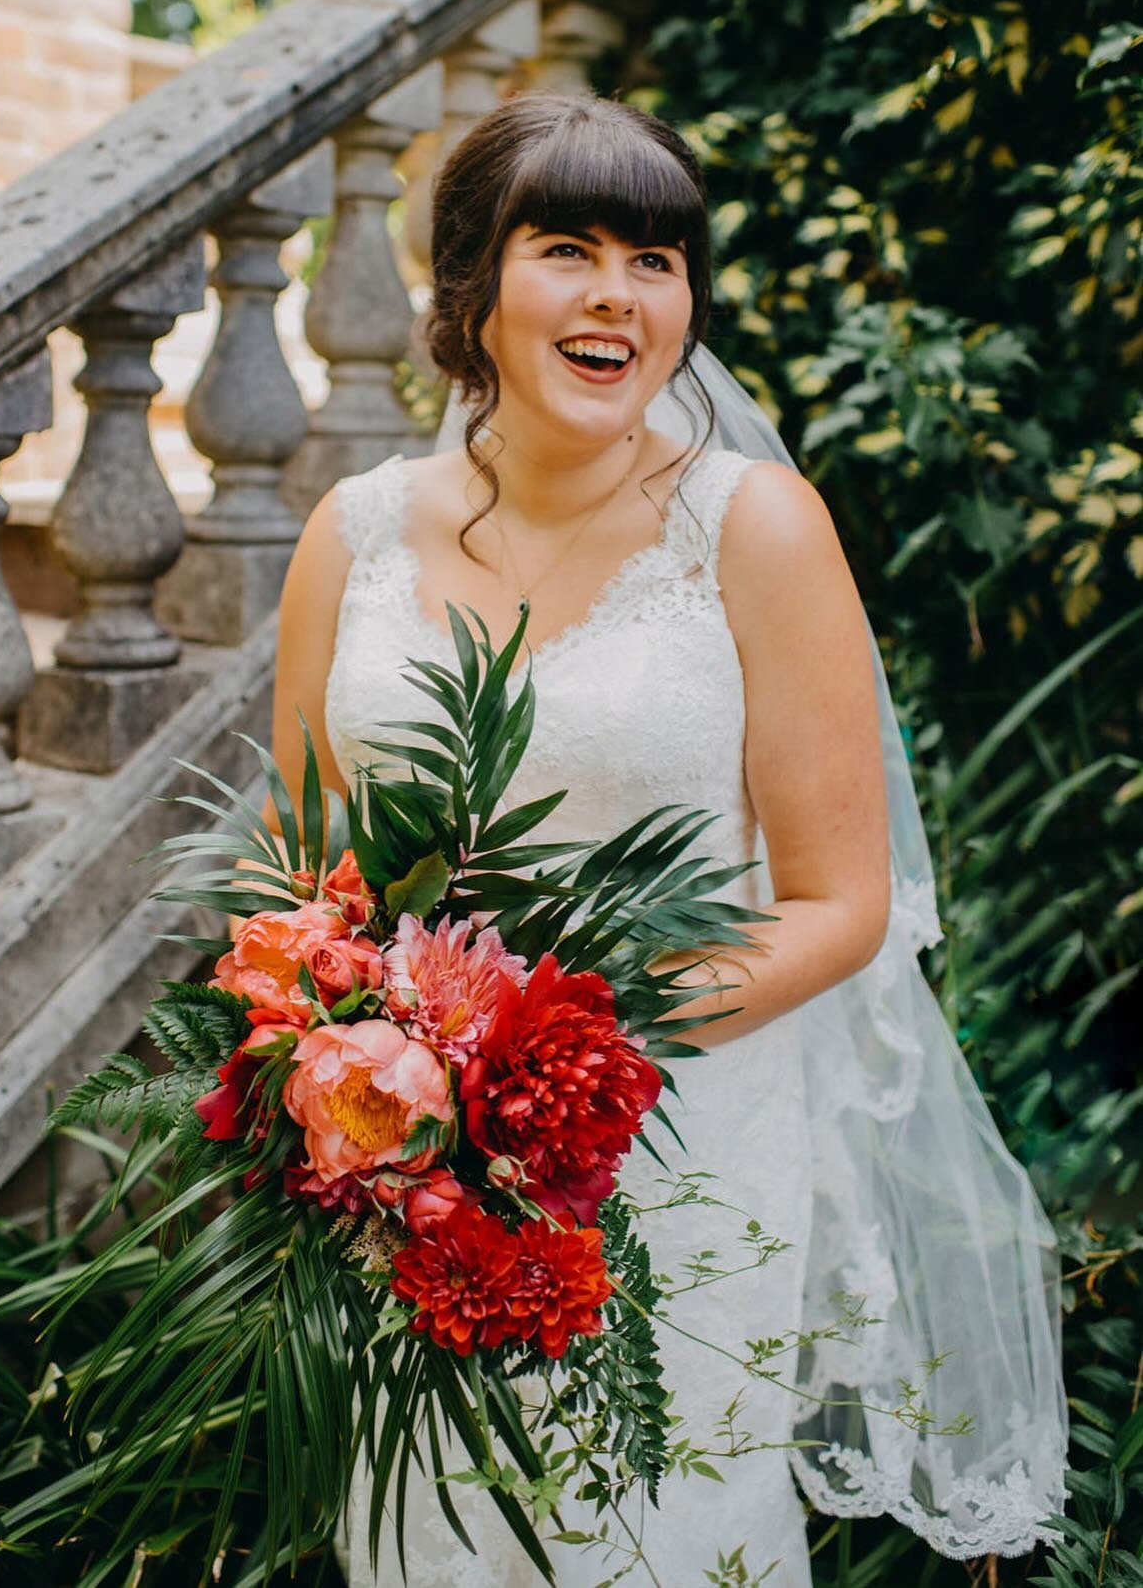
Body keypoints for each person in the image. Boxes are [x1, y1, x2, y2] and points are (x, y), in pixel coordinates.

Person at [268, 91, 1066, 1587]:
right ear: (470, 287)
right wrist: (363, 1073)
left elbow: (841, 901)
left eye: (658, 258)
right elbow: (299, 874)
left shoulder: (755, 528)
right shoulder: (350, 535)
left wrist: (552, 1068)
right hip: (406, 1169)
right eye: (567, 247)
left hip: (675, 1153)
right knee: (427, 1530)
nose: (619, 296)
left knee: (648, 1526)